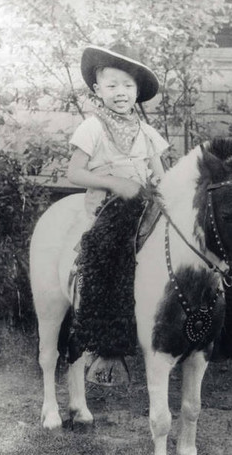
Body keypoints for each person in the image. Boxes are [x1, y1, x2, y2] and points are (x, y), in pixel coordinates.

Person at [67, 43, 170, 384]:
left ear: (137, 91)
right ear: (98, 90)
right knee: (107, 254)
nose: (121, 93)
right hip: (107, 206)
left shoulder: (146, 132)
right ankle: (105, 345)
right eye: (112, 86)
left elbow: (160, 175)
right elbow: (75, 173)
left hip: (142, 204)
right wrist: (114, 182)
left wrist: (161, 190)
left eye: (127, 86)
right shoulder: (92, 127)